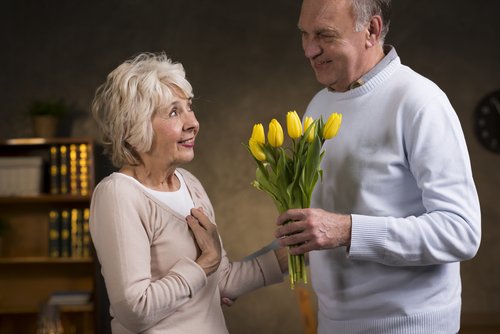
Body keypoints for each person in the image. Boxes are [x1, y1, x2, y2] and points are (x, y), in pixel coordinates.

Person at [275, 0, 481, 333]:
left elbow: (461, 232)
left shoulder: (420, 101)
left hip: (410, 326)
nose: (309, 50)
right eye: (305, 34)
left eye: (324, 35)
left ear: (370, 30)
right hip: (333, 325)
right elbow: (317, 232)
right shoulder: (318, 107)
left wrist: (347, 230)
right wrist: (228, 281)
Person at [90, 52, 287, 333]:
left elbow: (221, 282)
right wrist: (203, 264)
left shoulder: (190, 184)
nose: (192, 122)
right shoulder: (118, 195)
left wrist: (291, 254)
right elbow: (135, 311)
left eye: (189, 107)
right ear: (135, 127)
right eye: (173, 112)